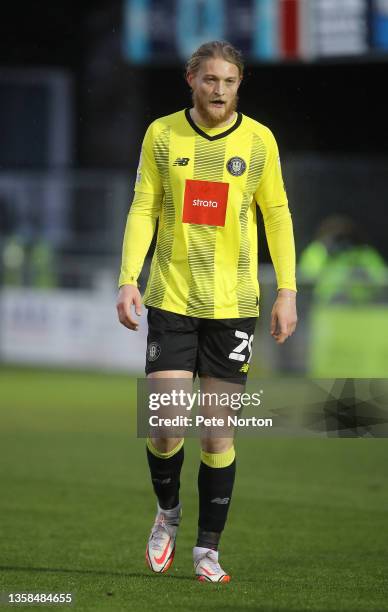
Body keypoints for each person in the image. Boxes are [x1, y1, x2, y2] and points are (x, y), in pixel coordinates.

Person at [117, 41, 297, 583]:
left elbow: (278, 214)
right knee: (167, 424)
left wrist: (287, 289)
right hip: (171, 298)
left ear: (239, 85)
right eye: (210, 80)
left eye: (230, 82)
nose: (219, 91)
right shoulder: (162, 133)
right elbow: (144, 205)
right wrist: (129, 277)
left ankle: (207, 550)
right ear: (191, 79)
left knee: (218, 435)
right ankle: (167, 514)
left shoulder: (260, 141)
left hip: (235, 306)